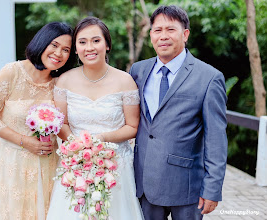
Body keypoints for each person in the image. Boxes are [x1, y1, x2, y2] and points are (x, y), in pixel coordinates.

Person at [129, 5, 228, 220]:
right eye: (157, 30)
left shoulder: (209, 77)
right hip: (144, 182)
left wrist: (212, 188)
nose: (163, 36)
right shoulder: (138, 71)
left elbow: (216, 138)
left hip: (187, 187)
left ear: (185, 34)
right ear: (150, 35)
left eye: (170, 29)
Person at [47, 17, 144, 220]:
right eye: (82, 42)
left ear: (107, 44)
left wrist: (100, 139)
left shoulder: (125, 81)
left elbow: (132, 126)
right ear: (75, 48)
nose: (89, 47)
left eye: (96, 41)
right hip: (76, 164)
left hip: (116, 166)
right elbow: (61, 124)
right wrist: (79, 149)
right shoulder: (64, 80)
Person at [0, 22, 75, 219]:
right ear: (42, 42)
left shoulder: (60, 83)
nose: (59, 53)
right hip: (14, 162)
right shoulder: (12, 72)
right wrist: (24, 141)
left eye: (66, 50)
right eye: (54, 45)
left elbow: (66, 123)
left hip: (49, 163)